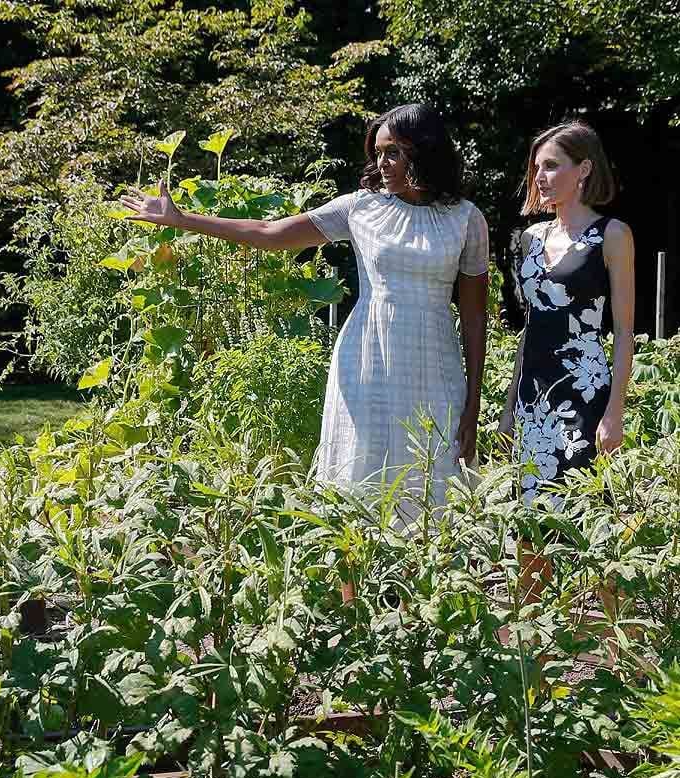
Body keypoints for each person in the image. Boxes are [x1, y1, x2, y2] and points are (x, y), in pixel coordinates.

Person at [122, 104, 490, 579]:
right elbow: (274, 234)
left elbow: (476, 316)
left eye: (394, 152)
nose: (383, 164)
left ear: (426, 151)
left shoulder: (466, 219)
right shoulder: (360, 208)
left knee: (433, 483)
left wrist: (473, 401)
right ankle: (355, 612)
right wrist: (183, 219)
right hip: (368, 366)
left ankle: (427, 613)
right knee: (362, 485)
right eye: (378, 153)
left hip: (436, 366)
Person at [499, 120, 634, 605]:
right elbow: (531, 329)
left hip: (586, 393)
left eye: (552, 165)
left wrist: (614, 412)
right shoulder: (529, 239)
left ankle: (615, 653)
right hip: (535, 398)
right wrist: (510, 406)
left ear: (584, 170)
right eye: (537, 167)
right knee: (531, 523)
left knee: (594, 525)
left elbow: (622, 335)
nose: (541, 176)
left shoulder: (612, 235)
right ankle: (533, 656)